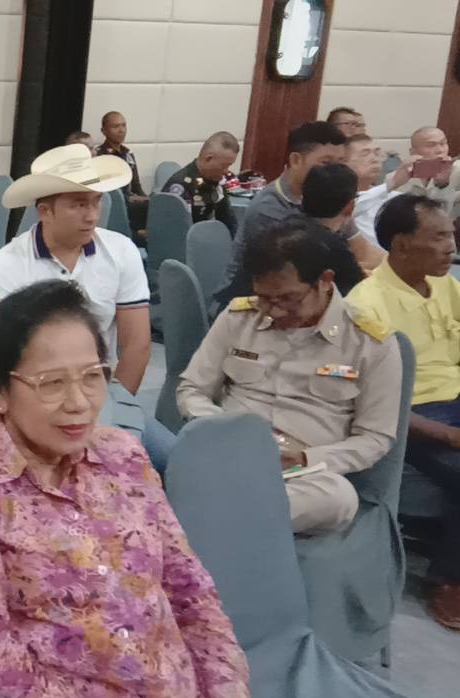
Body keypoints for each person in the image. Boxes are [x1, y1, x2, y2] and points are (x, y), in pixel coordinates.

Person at [0, 280, 253, 698]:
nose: (79, 403)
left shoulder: (125, 458)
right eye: (52, 383)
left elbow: (191, 593)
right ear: (0, 390)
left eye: (92, 377)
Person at [178, 220, 402, 534]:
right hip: (228, 451)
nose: (274, 311)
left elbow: (375, 438)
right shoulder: (238, 317)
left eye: (287, 298)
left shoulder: (369, 341)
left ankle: (207, 516)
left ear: (325, 281)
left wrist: (305, 458)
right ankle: (225, 515)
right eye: (264, 298)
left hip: (303, 472)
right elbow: (192, 388)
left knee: (338, 498)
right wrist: (222, 428)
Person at [346, 194, 460, 629]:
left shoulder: (446, 285)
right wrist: (447, 435)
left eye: (451, 234)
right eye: (439, 237)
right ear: (401, 245)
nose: (451, 246)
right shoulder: (367, 303)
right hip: (410, 415)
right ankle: (448, 580)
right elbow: (365, 401)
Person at [0, 143, 149, 394]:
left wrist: (116, 407)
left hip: (100, 391)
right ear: (45, 212)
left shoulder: (122, 251)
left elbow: (137, 345)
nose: (92, 216)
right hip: (32, 393)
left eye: (96, 202)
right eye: (79, 205)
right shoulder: (8, 263)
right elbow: (3, 352)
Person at [212, 121, 348, 310]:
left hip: (300, 298)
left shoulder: (332, 197)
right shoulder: (268, 208)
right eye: (325, 163)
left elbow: (361, 250)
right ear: (296, 160)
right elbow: (296, 273)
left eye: (341, 164)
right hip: (251, 304)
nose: (335, 172)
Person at [302, 162, 386, 272]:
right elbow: (357, 277)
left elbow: (366, 252)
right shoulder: (335, 249)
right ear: (350, 206)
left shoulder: (287, 227)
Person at [160, 130, 241, 236]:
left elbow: (228, 221)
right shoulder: (181, 185)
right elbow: (178, 231)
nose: (227, 171)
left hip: (206, 239)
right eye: (224, 166)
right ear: (209, 158)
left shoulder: (217, 182)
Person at [95, 111, 148, 239]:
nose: (121, 130)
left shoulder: (128, 153)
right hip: (116, 203)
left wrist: (145, 198)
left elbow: (136, 186)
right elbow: (106, 190)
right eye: (115, 126)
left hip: (133, 202)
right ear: (104, 131)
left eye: (124, 125)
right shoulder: (100, 155)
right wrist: (130, 199)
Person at [348, 133, 407, 247]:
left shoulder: (395, 197)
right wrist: (390, 184)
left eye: (377, 153)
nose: (374, 159)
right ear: (343, 162)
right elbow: (346, 210)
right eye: (365, 154)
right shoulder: (337, 200)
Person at [394, 127, 460, 215]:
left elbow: (441, 214)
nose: (440, 150)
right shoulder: (401, 177)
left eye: (443, 143)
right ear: (413, 152)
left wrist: (443, 186)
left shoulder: (457, 170)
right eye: (431, 145)